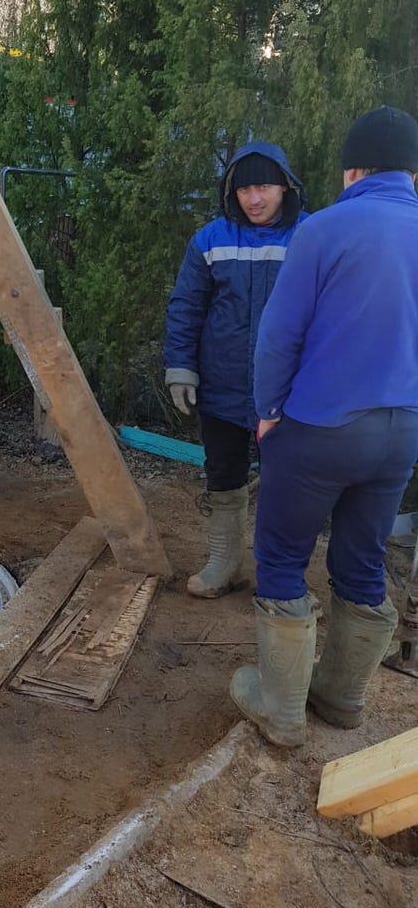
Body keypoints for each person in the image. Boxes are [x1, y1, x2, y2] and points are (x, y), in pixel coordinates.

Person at [231, 105, 418, 747]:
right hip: (401, 434)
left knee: (282, 555)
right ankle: (342, 698)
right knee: (361, 560)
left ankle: (280, 710)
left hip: (319, 429)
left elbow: (277, 338)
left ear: (352, 171)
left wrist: (266, 410)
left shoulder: (324, 230)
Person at [164, 143, 308, 597]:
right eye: (244, 188)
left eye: (264, 187)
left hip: (289, 394)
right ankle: (225, 563)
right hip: (222, 385)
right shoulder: (211, 239)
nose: (254, 199)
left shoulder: (311, 237)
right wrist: (180, 369)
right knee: (223, 474)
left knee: (288, 488)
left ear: (285, 187)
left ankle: (283, 582)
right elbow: (186, 306)